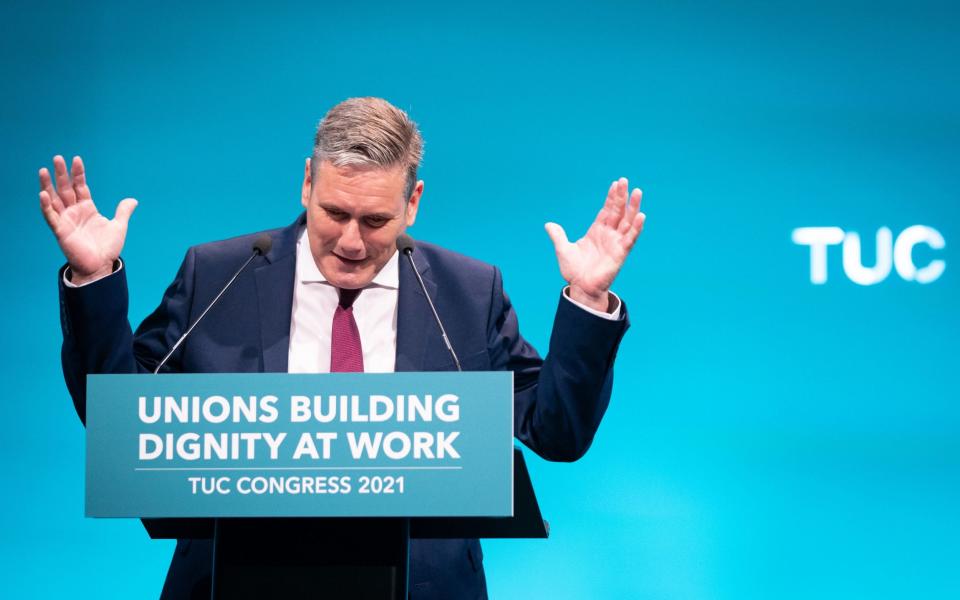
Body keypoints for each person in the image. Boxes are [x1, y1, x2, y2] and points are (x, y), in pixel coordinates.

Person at [39, 97, 646, 599]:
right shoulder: (217, 274)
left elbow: (557, 433)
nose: (352, 242)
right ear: (306, 183)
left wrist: (587, 300)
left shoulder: (466, 291)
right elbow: (118, 418)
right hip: (233, 583)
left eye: (377, 220)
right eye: (335, 212)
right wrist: (95, 280)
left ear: (413, 202)